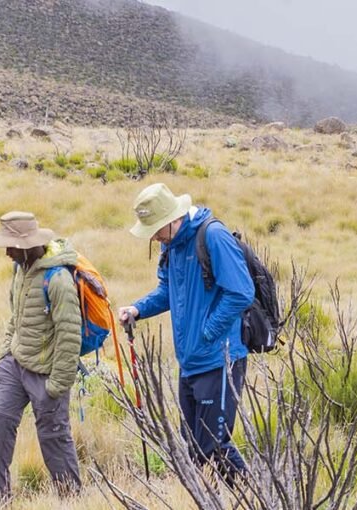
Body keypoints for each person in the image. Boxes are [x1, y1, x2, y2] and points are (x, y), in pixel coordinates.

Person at [118, 183, 254, 484]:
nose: (152, 237)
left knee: (213, 446)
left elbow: (241, 292)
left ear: (172, 219)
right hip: (190, 360)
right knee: (194, 445)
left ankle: (253, 495)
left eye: (155, 229)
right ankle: (217, 497)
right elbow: (169, 290)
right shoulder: (171, 245)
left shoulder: (213, 237)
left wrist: (208, 333)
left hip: (219, 359)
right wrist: (139, 309)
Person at [0, 211, 82, 502]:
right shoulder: (21, 269)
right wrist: (4, 357)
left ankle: (72, 501)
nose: (7, 253)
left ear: (26, 244)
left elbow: (69, 335)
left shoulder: (58, 279)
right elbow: (17, 316)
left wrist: (58, 385)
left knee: (54, 441)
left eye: (10, 246)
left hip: (47, 373)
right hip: (15, 365)